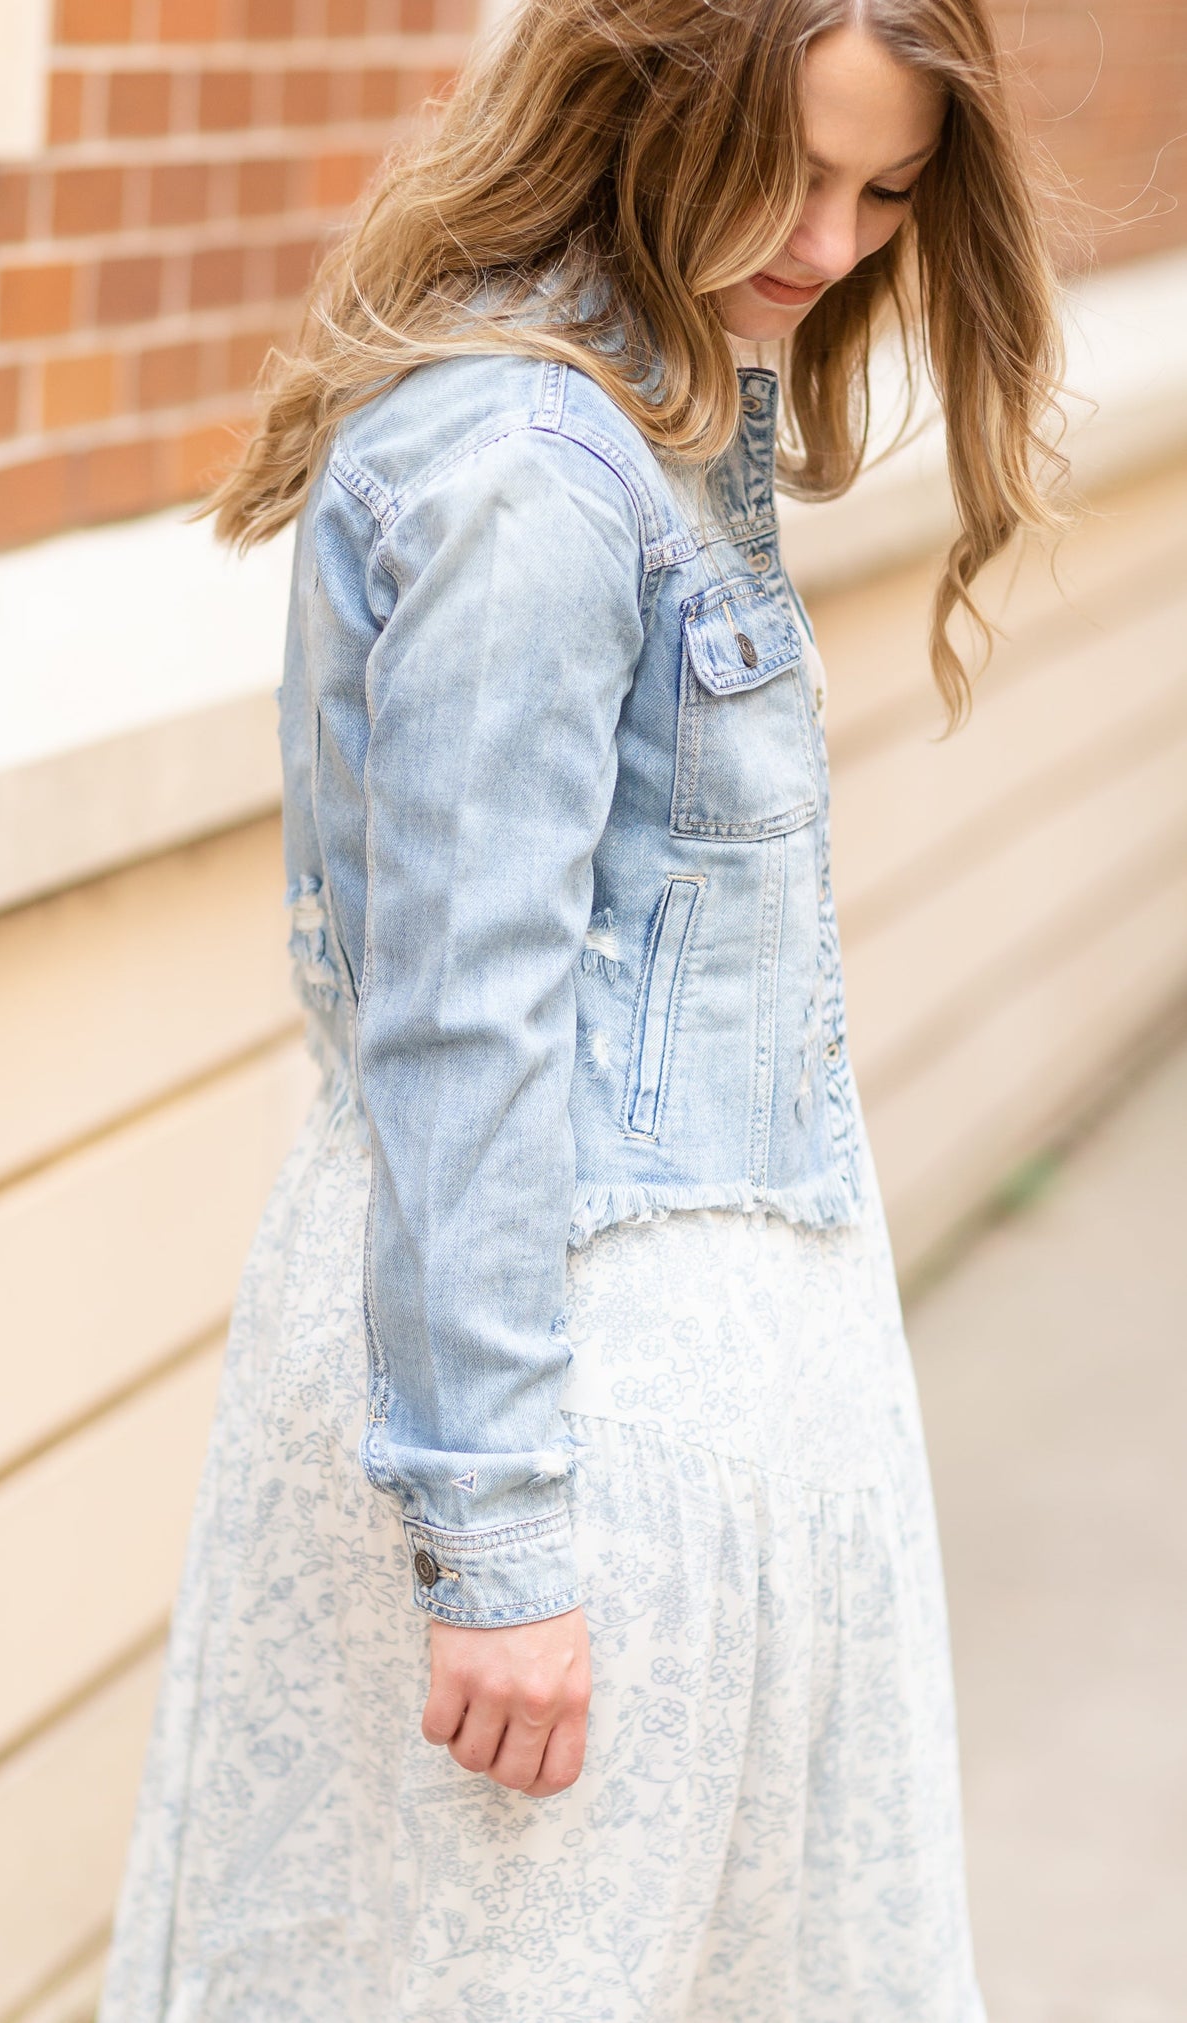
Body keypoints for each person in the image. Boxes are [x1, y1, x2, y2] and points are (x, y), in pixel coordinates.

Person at [99, 1, 1067, 2015]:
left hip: (672, 1393)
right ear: (648, 101)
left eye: (886, 190)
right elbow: (469, 1029)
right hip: (560, 1429)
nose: (829, 242)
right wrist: (505, 1552)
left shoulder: (654, 411)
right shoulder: (532, 473)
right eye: (788, 172)